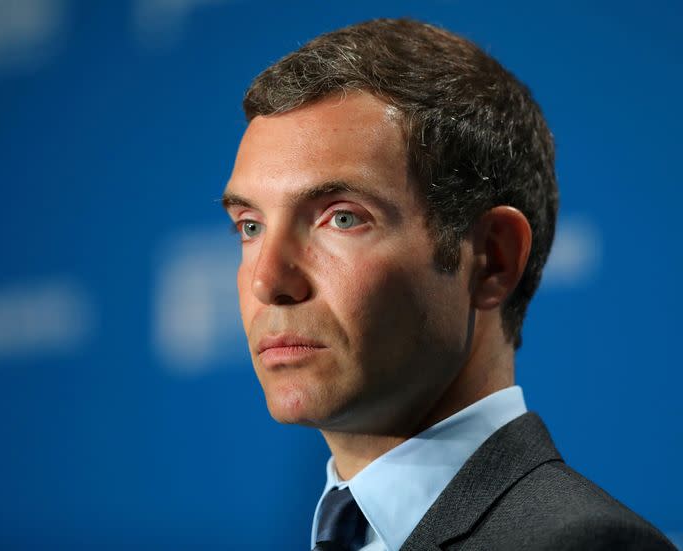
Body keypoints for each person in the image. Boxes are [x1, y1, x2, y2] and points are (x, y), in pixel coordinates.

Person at [221, 18, 675, 551]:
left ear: (491, 260)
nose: (267, 281)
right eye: (250, 227)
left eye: (341, 218)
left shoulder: (579, 544)